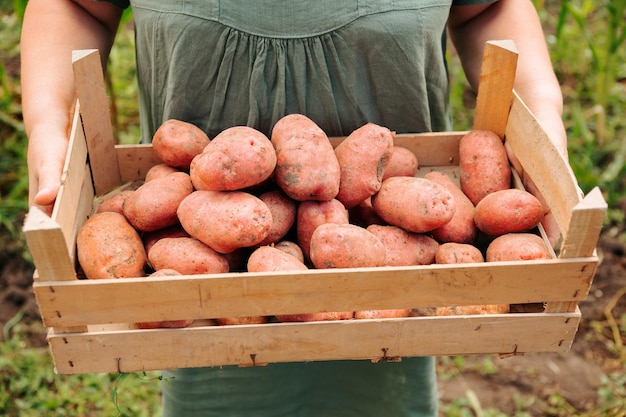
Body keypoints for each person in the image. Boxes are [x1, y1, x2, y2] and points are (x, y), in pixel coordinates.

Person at [21, 1, 568, 416]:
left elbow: (491, 7)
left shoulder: (409, 224)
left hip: (392, 267)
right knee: (215, 372)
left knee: (378, 371)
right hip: (207, 277)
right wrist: (48, 125)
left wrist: (540, 116)